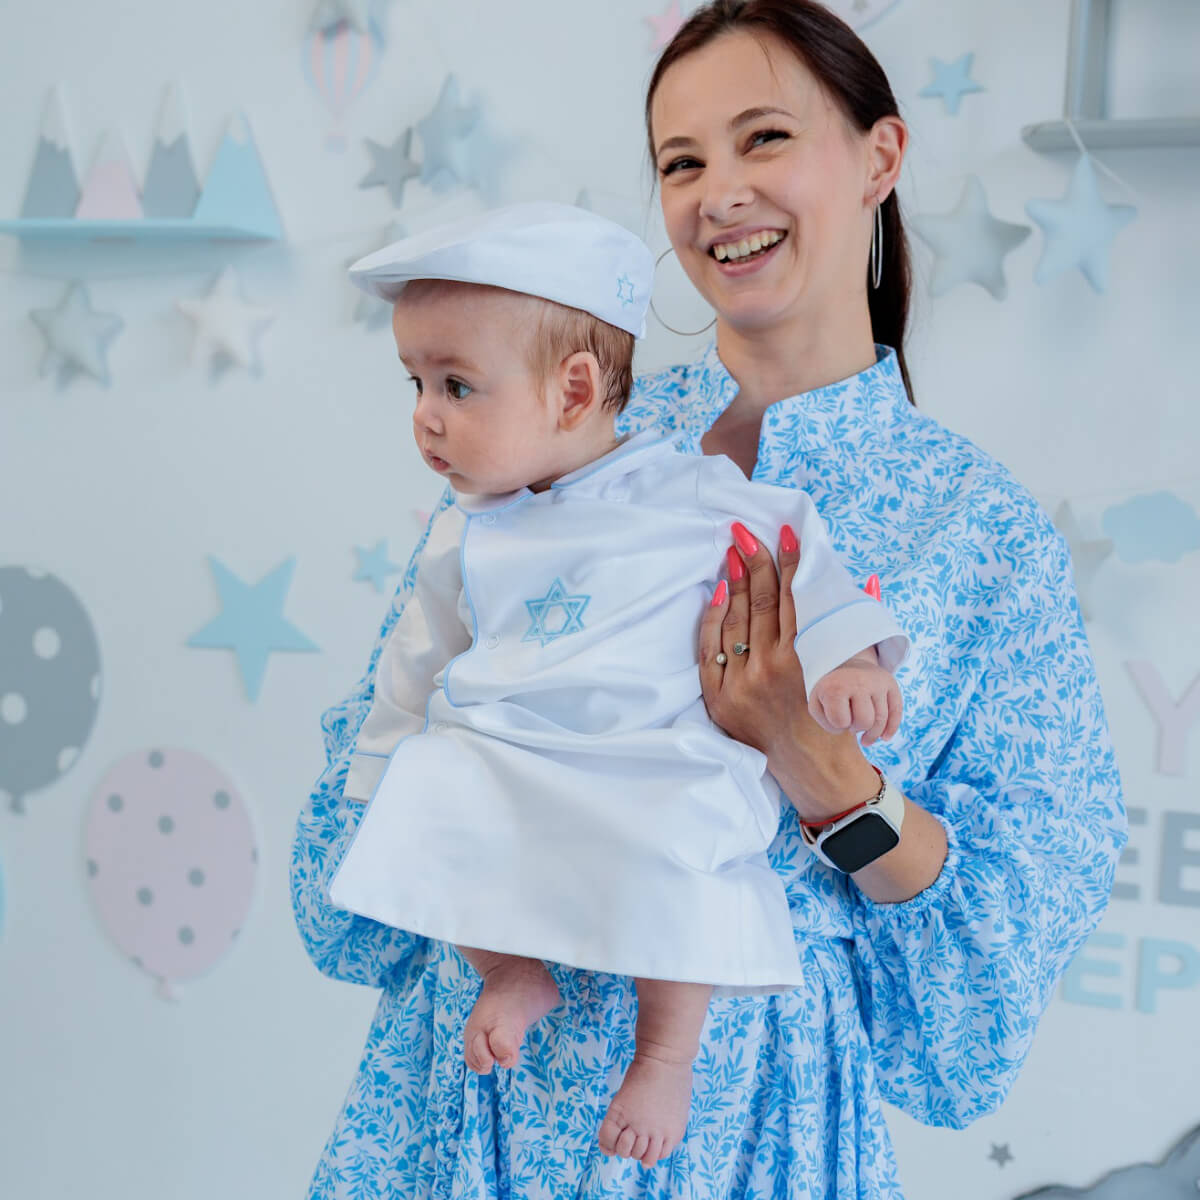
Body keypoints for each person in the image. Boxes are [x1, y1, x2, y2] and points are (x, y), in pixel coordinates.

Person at [290, 2, 1128, 1196]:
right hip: (461, 1103)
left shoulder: (979, 535)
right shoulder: (551, 419)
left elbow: (967, 1025)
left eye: (764, 139)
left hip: (744, 1134)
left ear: (881, 158)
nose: (717, 192)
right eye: (681, 162)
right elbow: (361, 832)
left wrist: (816, 764)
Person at [325, 201, 909, 1170]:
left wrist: (849, 657)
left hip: (647, 757)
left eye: (457, 385)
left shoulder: (689, 489)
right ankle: (510, 971)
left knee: (684, 835)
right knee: (430, 796)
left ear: (574, 388)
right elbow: (415, 661)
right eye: (417, 382)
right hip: (514, 753)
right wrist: (387, 760)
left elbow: (795, 549)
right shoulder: (471, 529)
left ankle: (666, 1052)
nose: (426, 414)